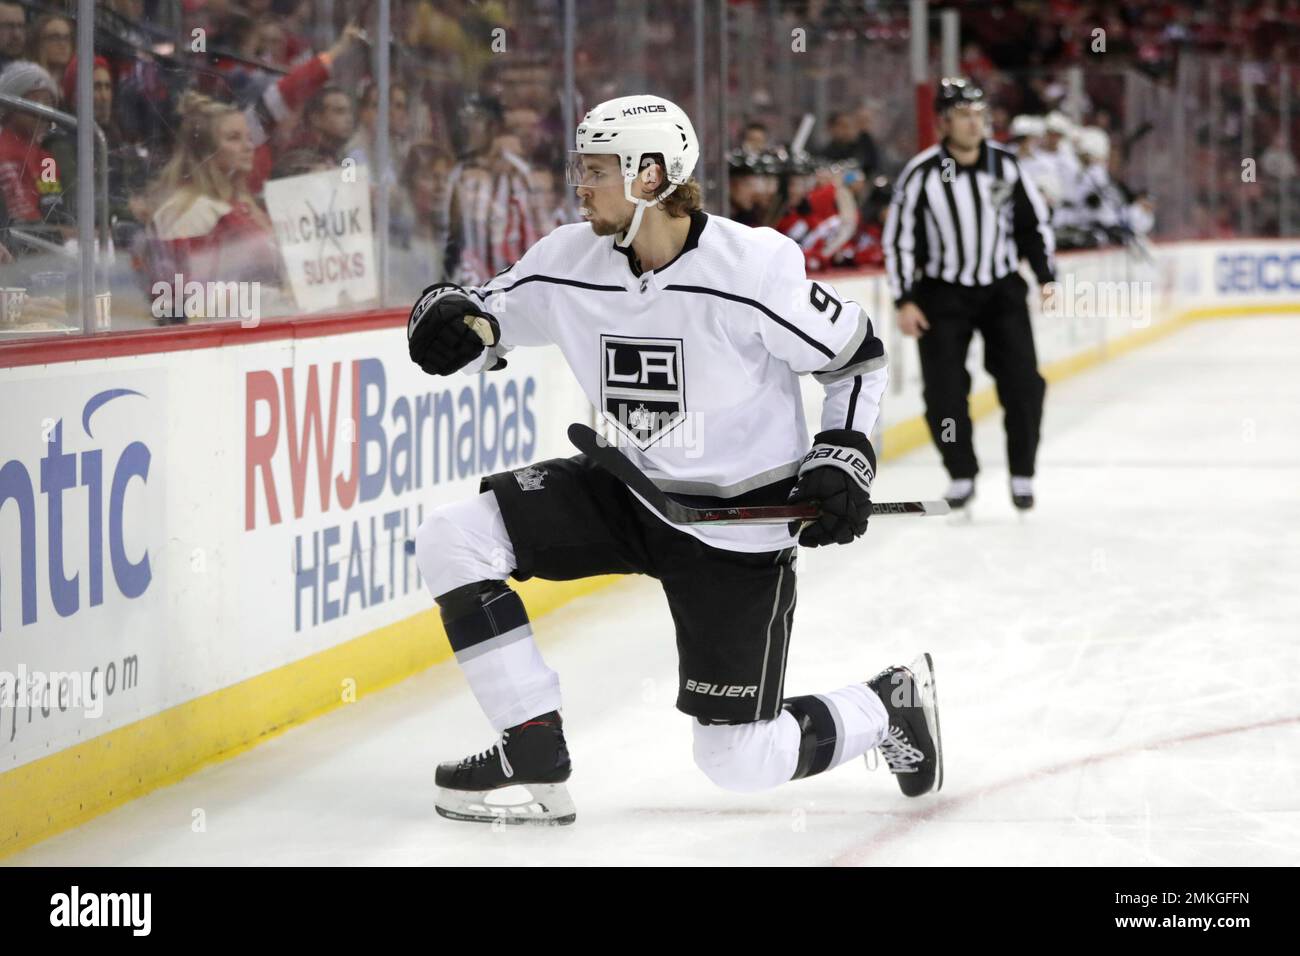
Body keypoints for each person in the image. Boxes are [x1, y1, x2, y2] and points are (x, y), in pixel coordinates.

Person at [406, 94, 942, 826]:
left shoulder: (753, 268)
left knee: (738, 761)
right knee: (453, 537)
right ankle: (531, 744)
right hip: (629, 489)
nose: (578, 184)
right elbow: (480, 310)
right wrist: (442, 312)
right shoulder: (568, 258)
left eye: (595, 170)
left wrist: (843, 453)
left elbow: (857, 359)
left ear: (650, 175)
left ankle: (889, 704)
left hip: (735, 521)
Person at [882, 78, 1055, 512]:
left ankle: (1022, 473)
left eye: (980, 114)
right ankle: (961, 473)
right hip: (942, 294)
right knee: (943, 392)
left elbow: (1033, 224)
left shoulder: (1007, 165)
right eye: (963, 115)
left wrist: (1045, 275)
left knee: (1024, 384)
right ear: (943, 122)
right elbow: (900, 239)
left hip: (1000, 290)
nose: (974, 123)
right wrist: (905, 298)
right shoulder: (922, 173)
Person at [146, 91, 283, 321]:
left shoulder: (244, 204)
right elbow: (182, 302)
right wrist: (270, 298)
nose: (248, 146)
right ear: (206, 151)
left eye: (248, 138)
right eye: (233, 138)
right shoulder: (187, 210)